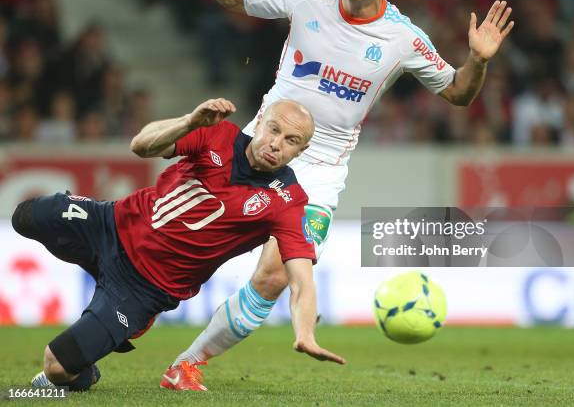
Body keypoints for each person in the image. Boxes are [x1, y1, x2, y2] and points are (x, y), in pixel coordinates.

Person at [168, 0, 515, 390]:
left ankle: (187, 363)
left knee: (274, 276)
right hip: (260, 147)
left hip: (321, 171)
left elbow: (458, 93)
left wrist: (478, 60)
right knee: (180, 240)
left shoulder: (403, 38)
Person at [13, 97, 345, 392]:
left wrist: (305, 332)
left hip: (143, 287)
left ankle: (85, 372)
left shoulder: (287, 202)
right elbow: (141, 146)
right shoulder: (218, 133)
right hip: (111, 224)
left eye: (291, 141)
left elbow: (301, 278)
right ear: (258, 123)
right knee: (25, 216)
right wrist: (189, 122)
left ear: (300, 152)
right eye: (273, 130)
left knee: (57, 367)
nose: (276, 144)